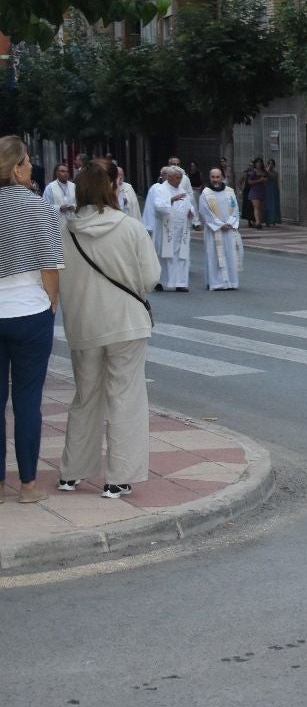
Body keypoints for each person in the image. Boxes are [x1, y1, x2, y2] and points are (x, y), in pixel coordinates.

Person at [57, 160, 160, 500]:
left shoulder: (65, 230)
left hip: (84, 325)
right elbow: (150, 278)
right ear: (111, 189)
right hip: (127, 323)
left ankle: (71, 473)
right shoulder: (130, 227)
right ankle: (118, 477)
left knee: (86, 397)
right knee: (125, 397)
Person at [0, 136, 64, 505]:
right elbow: (50, 267)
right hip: (29, 312)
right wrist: (51, 306)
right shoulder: (39, 208)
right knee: (27, 401)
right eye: (26, 161)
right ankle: (27, 485)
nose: (31, 167)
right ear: (15, 168)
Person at [198, 168, 243, 291]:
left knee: (230, 255)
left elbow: (235, 208)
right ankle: (216, 283)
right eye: (213, 177)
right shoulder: (205, 193)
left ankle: (231, 282)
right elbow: (204, 211)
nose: (215, 180)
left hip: (228, 229)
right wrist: (219, 224)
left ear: (222, 177)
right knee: (214, 256)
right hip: (214, 231)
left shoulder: (229, 192)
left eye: (218, 177)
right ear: (210, 177)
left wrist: (229, 223)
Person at [153, 165, 195, 292]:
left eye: (181, 178)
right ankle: (161, 281)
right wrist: (171, 199)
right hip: (167, 229)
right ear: (170, 177)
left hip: (181, 229)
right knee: (165, 255)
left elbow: (190, 205)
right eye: (177, 177)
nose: (179, 180)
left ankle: (180, 282)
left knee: (182, 255)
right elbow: (158, 207)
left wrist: (191, 212)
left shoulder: (182, 190)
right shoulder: (160, 189)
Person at [43, 161, 77, 232]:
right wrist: (59, 208)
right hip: (57, 224)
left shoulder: (73, 186)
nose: (65, 173)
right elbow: (45, 206)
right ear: (56, 173)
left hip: (73, 221)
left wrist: (74, 206)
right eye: (62, 171)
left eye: (67, 171)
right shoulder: (50, 187)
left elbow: (80, 203)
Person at [245, 157, 268, 229]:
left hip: (262, 190)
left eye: (260, 162)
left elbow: (268, 179)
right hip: (254, 191)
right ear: (255, 164)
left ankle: (259, 221)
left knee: (261, 207)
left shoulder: (264, 171)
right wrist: (259, 180)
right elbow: (249, 182)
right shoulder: (253, 172)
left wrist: (265, 180)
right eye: (257, 162)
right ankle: (258, 222)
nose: (259, 164)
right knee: (256, 207)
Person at [264, 158, 282, 226]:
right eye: (269, 163)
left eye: (272, 164)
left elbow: (275, 179)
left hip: (274, 189)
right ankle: (268, 220)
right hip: (267, 190)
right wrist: (267, 170)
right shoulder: (265, 172)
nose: (270, 165)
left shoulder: (275, 173)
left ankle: (274, 220)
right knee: (268, 205)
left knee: (274, 204)